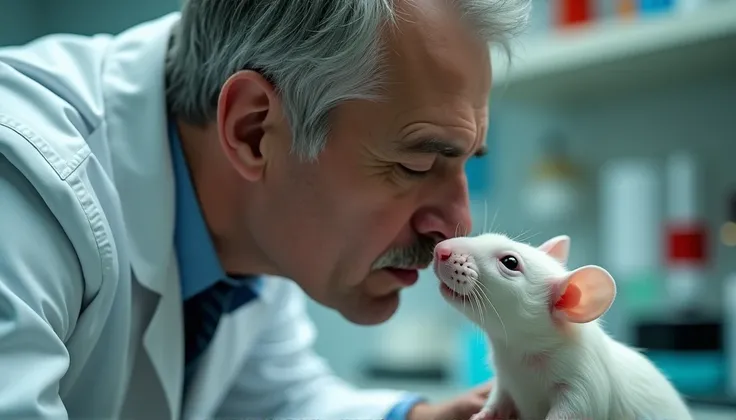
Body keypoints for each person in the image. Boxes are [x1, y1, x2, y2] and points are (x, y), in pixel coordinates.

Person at [0, 0, 530, 418]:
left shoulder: (259, 211)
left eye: (466, 162)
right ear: (253, 131)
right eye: (415, 165)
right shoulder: (24, 187)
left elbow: (272, 401)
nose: (456, 227)